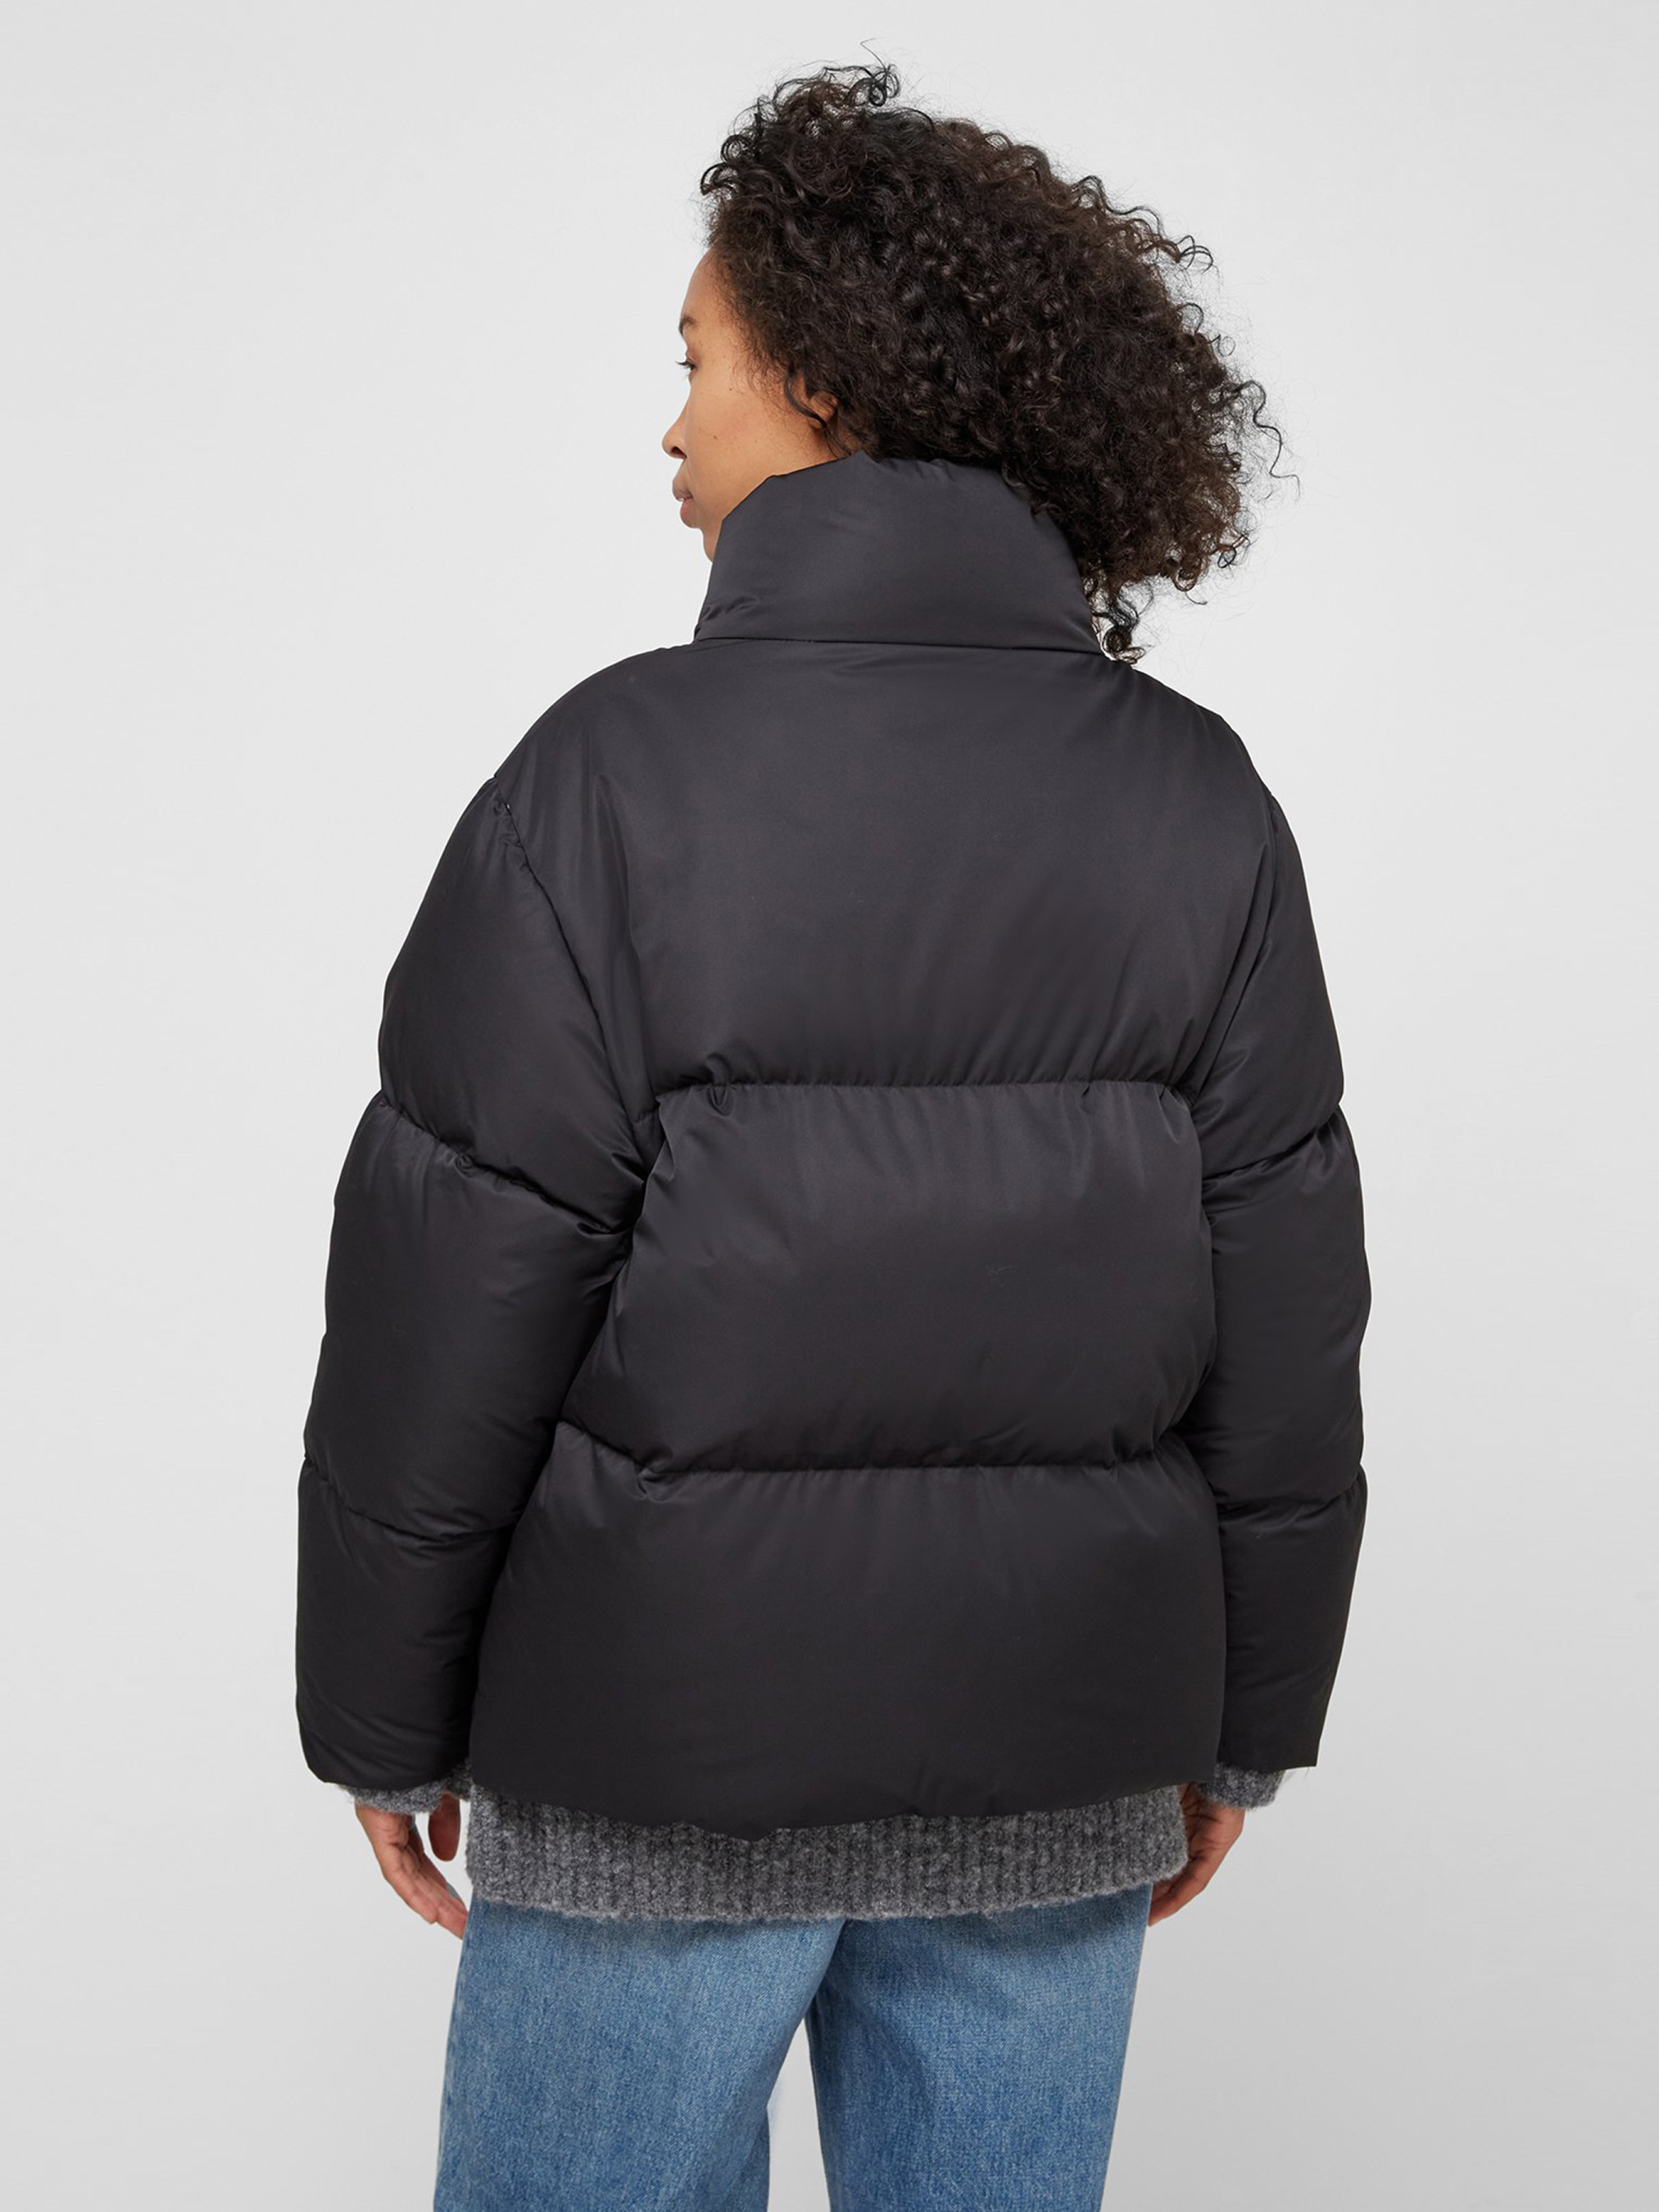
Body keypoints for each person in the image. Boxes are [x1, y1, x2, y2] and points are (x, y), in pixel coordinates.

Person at [294, 59, 1371, 2211]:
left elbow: (451, 1286)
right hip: (1057, 1753)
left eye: (696, 359)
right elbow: (1285, 1305)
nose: (671, 426)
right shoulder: (1196, 797)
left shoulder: (605, 780)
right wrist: (1247, 1714)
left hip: (651, 1766)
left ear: (819, 377)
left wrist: (383, 1719)